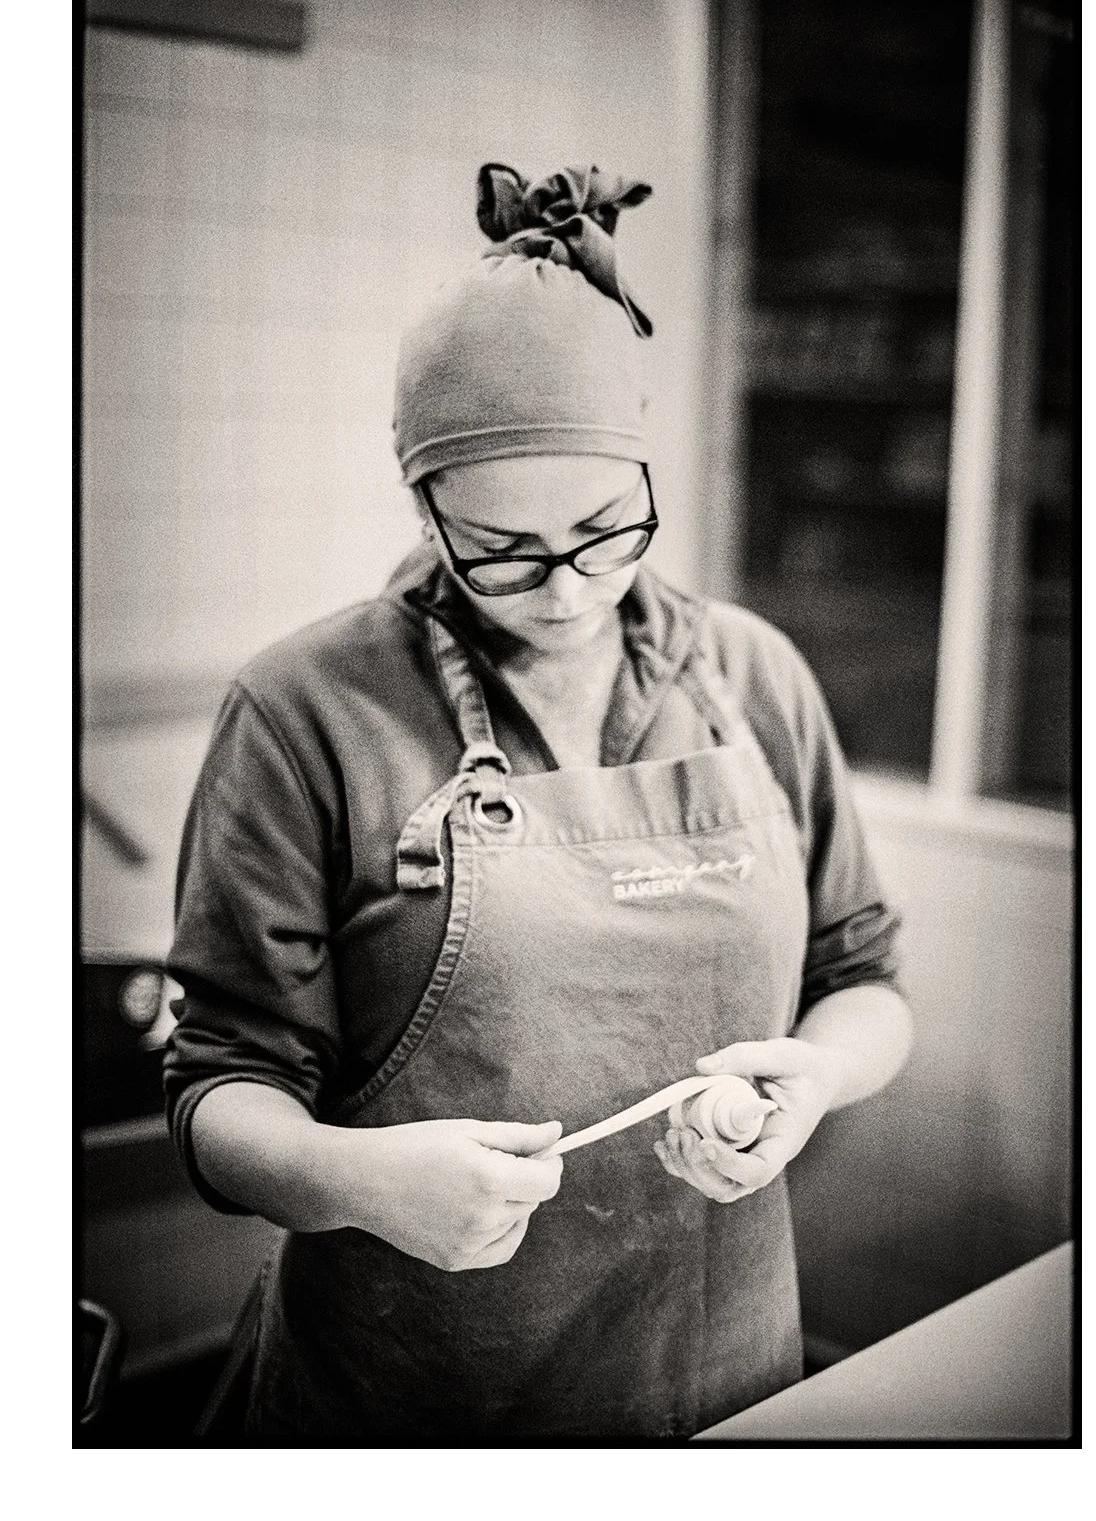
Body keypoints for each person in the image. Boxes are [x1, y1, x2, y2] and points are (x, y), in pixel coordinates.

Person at [164, 163, 912, 1445]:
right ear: (423, 506)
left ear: (643, 474)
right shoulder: (304, 710)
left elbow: (867, 978)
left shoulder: (752, 676)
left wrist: (817, 1080)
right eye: (501, 553)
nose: (565, 592)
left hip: (720, 1377)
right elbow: (222, 1089)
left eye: (605, 531)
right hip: (405, 1398)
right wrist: (347, 1178)